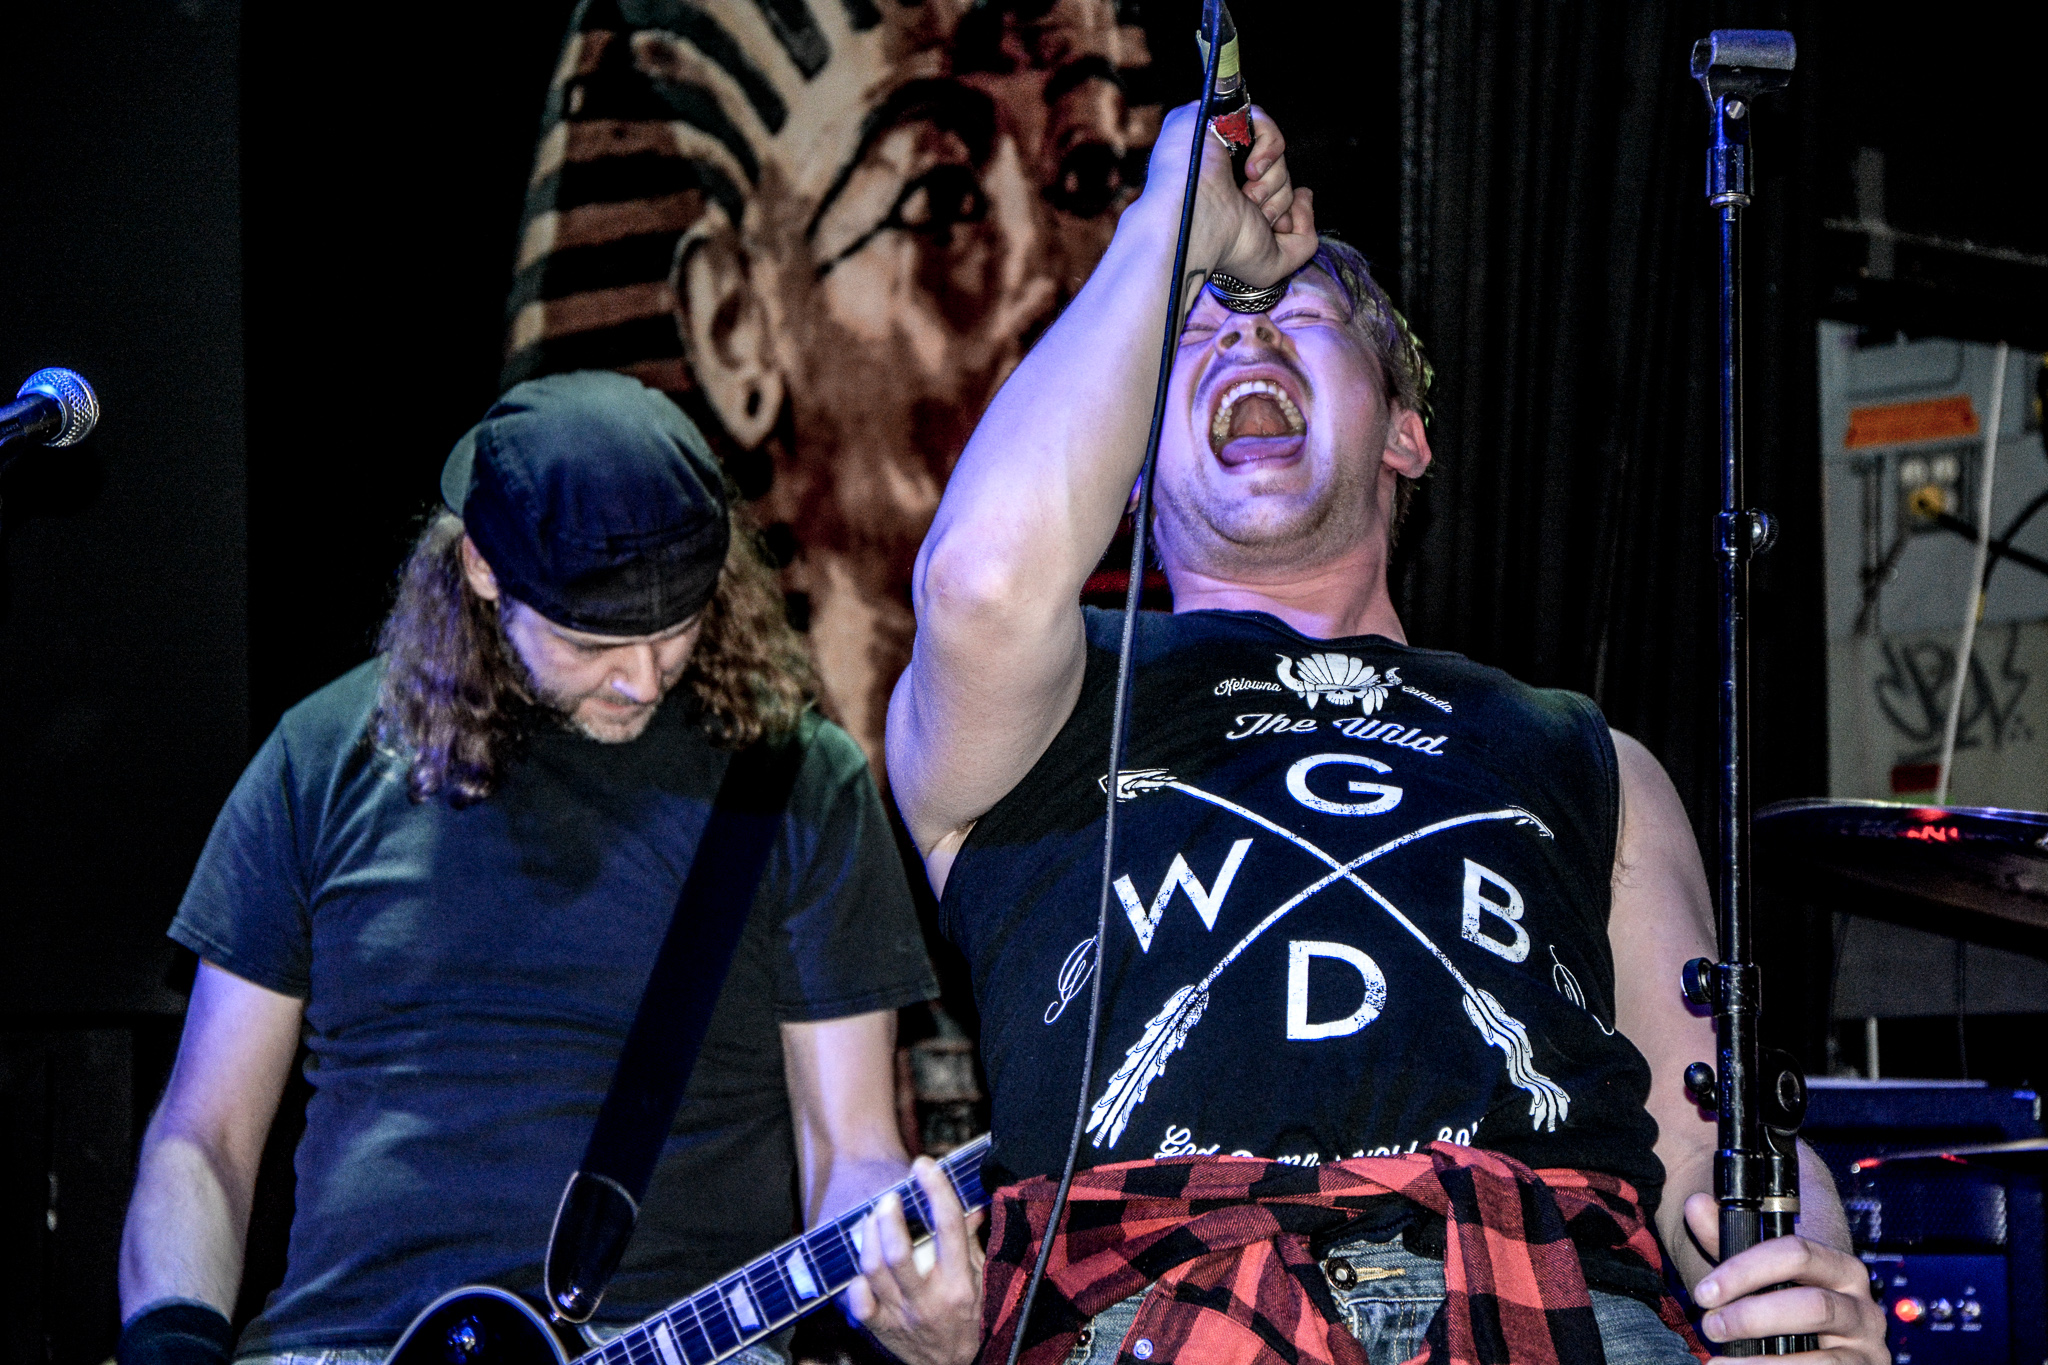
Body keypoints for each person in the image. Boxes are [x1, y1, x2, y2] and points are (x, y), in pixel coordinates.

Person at [859, 106, 1890, 1363]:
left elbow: (1701, 1135)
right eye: (1193, 332)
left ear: (1404, 432)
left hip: (1551, 1298)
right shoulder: (1048, 702)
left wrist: (1805, 1274)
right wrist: (1171, 223)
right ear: (1121, 462)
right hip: (1166, 1301)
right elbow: (978, 582)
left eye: (1296, 317)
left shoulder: (1586, 756)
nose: (1244, 332)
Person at [115, 372, 958, 1365]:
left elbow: (849, 1148)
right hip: (340, 1345)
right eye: (591, 639)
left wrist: (904, 1290)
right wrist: (172, 1344)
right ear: (482, 568)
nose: (641, 677)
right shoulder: (321, 758)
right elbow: (204, 1136)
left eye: (674, 627)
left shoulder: (798, 784)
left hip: (669, 1343)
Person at [505, 0, 1159, 772]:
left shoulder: (1194, 734)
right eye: (939, 199)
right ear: (735, 325)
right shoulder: (708, 814)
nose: (1048, 282)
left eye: (1088, 178)